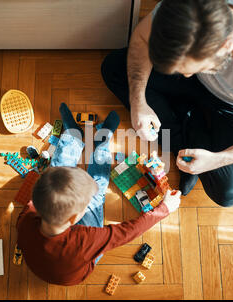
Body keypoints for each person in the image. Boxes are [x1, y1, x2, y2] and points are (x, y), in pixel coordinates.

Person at [101, 0, 233, 207]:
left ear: (225, 45)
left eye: (192, 67)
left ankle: (185, 122)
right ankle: (185, 138)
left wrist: (217, 160)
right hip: (199, 84)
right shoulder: (182, 10)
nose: (186, 74)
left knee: (228, 192)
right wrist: (139, 102)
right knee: (114, 67)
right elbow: (142, 38)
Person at [17, 103, 182, 285]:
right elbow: (128, 231)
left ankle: (73, 136)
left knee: (54, 176)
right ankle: (101, 146)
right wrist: (165, 208)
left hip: (45, 259)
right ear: (74, 220)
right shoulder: (86, 239)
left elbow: (39, 194)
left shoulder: (27, 216)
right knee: (95, 196)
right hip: (78, 270)